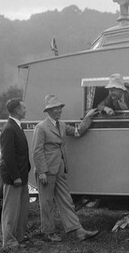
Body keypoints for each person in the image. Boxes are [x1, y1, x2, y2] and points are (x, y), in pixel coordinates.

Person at [32, 95, 99, 243]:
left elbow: (78, 132)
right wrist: (42, 172)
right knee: (47, 202)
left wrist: (88, 117)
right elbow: (37, 151)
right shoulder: (41, 127)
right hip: (46, 171)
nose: (59, 111)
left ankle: (78, 231)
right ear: (49, 111)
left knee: (66, 200)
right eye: (55, 108)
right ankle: (48, 233)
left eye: (60, 108)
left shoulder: (61, 125)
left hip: (59, 169)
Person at [0, 98, 31, 250]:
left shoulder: (16, 126)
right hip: (15, 178)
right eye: (23, 108)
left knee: (21, 209)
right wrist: (15, 176)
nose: (25, 110)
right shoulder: (9, 129)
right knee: (11, 210)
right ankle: (9, 241)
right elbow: (8, 156)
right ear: (17, 110)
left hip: (22, 176)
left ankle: (19, 237)